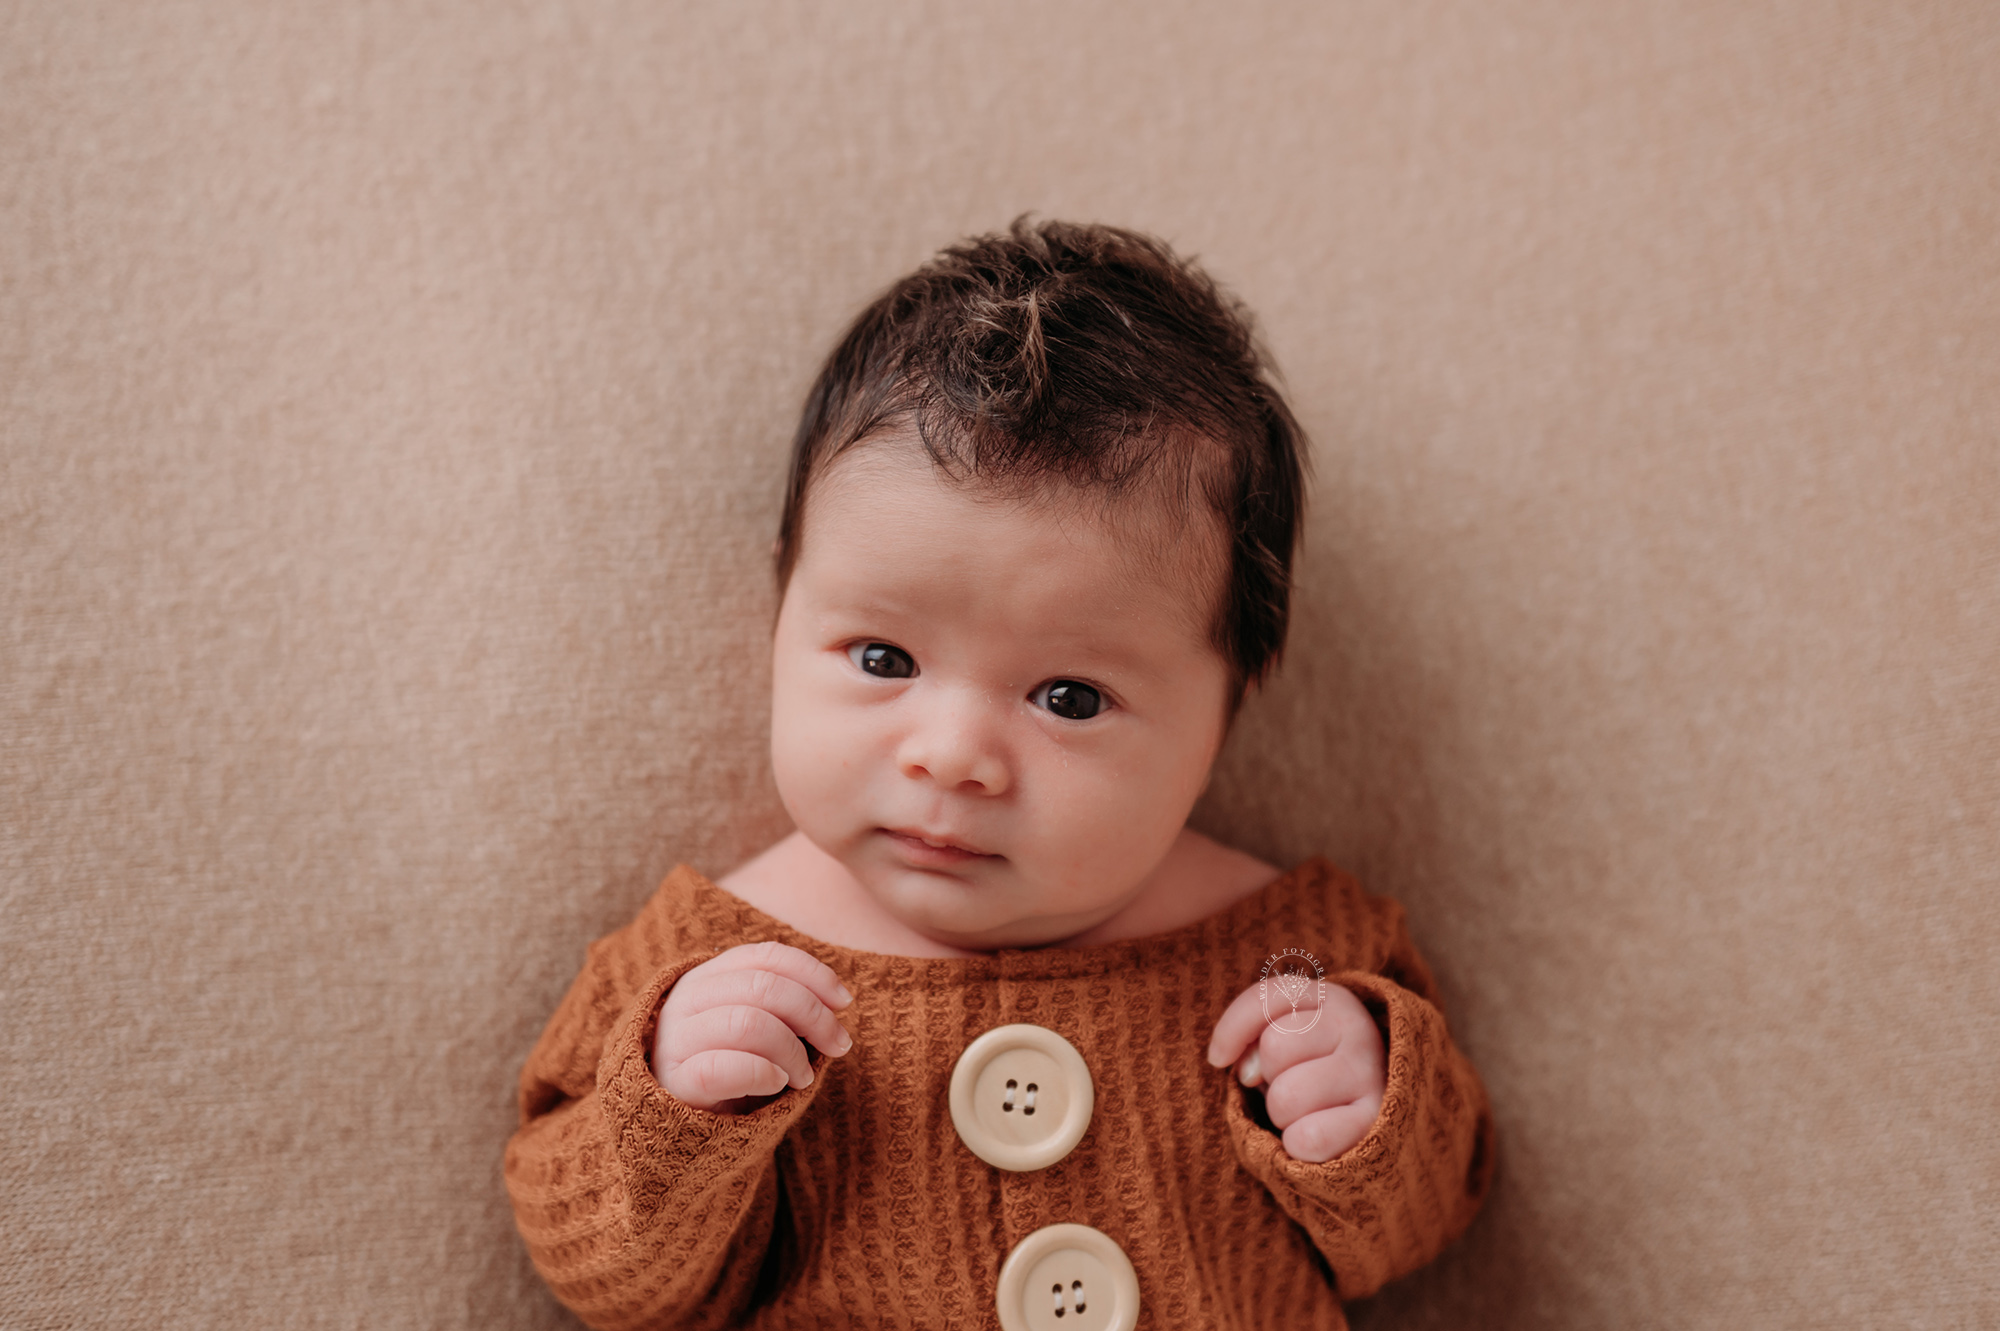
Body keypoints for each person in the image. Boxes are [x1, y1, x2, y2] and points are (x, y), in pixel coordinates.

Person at [504, 219, 1494, 1330]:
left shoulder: (1299, 952)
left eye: (1068, 697)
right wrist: (668, 1110)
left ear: (1226, 706)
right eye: (882, 659)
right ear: (784, 612)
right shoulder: (707, 958)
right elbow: (601, 1279)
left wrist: (1367, 1116)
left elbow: (1419, 1229)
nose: (951, 756)